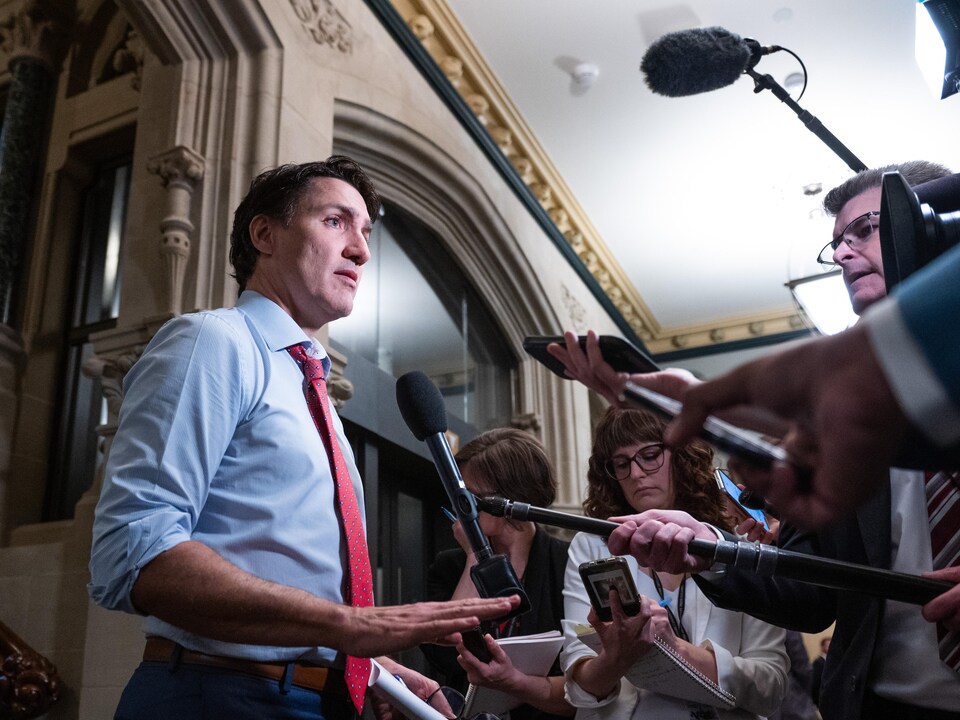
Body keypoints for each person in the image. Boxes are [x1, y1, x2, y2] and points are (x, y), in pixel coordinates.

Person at [87, 157, 518, 720]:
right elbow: (130, 551)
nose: (362, 250)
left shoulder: (314, 393)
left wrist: (378, 674)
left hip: (314, 696)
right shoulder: (212, 343)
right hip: (215, 696)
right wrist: (351, 625)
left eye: (366, 232)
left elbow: (282, 577)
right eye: (336, 221)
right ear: (264, 234)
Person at [553, 162, 960, 719]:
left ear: (939, 222)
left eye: (864, 229)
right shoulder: (843, 422)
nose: (842, 254)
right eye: (835, 242)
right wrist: (711, 551)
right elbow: (809, 592)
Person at [560, 407, 788, 720]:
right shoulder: (593, 544)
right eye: (622, 463)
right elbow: (579, 686)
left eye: (650, 455)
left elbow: (771, 685)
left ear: (683, 455)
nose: (636, 474)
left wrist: (674, 649)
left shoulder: (740, 544)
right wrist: (617, 657)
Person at [424, 427, 574, 720]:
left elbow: (582, 671)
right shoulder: (449, 565)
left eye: (471, 496)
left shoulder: (566, 562)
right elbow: (444, 652)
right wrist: (473, 556)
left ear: (511, 499)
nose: (461, 506)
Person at [810, 636, 829, 708]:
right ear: (822, 647)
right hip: (819, 698)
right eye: (828, 645)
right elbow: (815, 683)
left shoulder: (832, 662)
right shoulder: (818, 662)